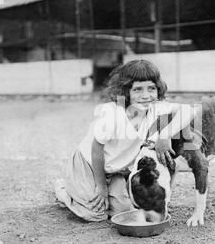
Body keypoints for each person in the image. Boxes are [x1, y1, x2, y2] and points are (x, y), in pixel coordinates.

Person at [55, 60, 198, 222]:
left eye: (151, 88)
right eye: (137, 90)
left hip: (116, 168)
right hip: (88, 164)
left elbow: (190, 110)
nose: (145, 96)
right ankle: (64, 189)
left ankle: (109, 185)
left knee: (122, 212)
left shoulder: (156, 108)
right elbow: (96, 149)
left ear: (158, 89)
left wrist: (165, 134)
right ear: (126, 91)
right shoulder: (114, 114)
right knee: (94, 214)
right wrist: (100, 186)